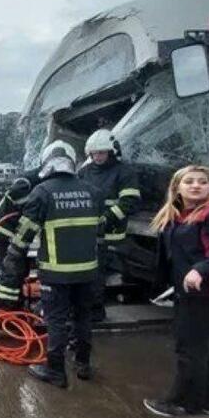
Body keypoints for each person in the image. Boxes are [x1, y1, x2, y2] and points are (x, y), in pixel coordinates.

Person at [143, 165, 209, 417]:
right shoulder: (177, 214)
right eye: (189, 181)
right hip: (187, 291)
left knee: (188, 348)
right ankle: (207, 402)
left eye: (202, 182)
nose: (196, 185)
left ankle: (182, 403)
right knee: (197, 346)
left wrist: (201, 269)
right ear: (177, 187)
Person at [3, 140, 101, 388]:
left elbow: (24, 235)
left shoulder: (43, 192)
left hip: (56, 273)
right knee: (83, 318)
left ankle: (55, 370)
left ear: (46, 163)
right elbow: (100, 229)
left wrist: (11, 262)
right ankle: (83, 364)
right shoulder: (92, 191)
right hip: (88, 271)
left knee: (56, 320)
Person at [78, 129, 141, 321]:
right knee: (87, 272)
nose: (97, 157)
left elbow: (130, 202)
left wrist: (106, 219)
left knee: (98, 273)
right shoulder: (84, 171)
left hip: (111, 233)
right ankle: (86, 309)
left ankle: (96, 311)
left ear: (111, 151)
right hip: (87, 231)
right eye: (94, 153)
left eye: (101, 153)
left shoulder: (124, 172)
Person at [0, 168, 41, 309]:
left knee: (20, 268)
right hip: (5, 232)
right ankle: (7, 306)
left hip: (17, 233)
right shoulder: (25, 182)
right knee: (13, 268)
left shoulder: (38, 180)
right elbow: (20, 199)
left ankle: (17, 301)